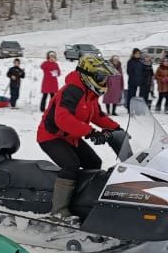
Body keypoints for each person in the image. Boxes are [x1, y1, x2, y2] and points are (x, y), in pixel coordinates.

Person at [37, 55, 120, 221]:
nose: (104, 81)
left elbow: (97, 115)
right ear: (87, 75)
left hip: (70, 136)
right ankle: (59, 211)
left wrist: (117, 129)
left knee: (93, 162)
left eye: (105, 78)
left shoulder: (90, 93)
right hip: (51, 136)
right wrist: (90, 132)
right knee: (70, 164)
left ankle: (81, 202)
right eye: (101, 77)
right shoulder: (72, 90)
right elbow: (63, 119)